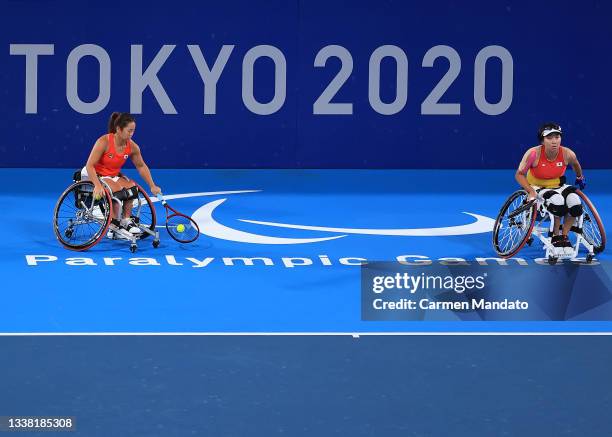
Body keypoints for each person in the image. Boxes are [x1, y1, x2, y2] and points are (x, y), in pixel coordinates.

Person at [82, 112, 161, 234]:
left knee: (132, 188)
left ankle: (126, 220)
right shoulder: (104, 141)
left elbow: (141, 166)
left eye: (133, 131)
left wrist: (152, 185)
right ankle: (114, 223)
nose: (131, 134)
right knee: (117, 190)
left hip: (112, 176)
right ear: (118, 129)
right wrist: (97, 185)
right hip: (93, 174)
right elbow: (90, 165)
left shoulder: (133, 147)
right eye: (129, 131)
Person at [515, 122, 585, 249]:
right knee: (557, 203)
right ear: (542, 140)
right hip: (537, 186)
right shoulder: (533, 154)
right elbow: (519, 175)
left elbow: (576, 165)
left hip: (558, 185)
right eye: (549, 138)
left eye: (557, 137)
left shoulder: (567, 153)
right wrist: (530, 191)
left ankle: (563, 235)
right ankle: (555, 235)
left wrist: (580, 177)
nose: (554, 141)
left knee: (575, 204)